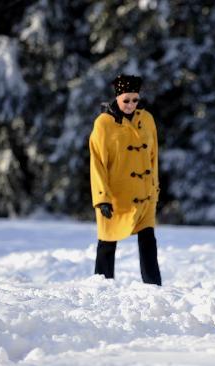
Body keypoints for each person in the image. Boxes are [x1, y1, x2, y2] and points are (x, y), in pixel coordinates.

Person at [89, 74, 162, 285]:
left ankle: (153, 284)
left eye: (135, 100)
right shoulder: (103, 124)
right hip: (114, 195)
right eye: (126, 100)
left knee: (148, 238)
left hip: (144, 193)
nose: (131, 105)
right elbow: (97, 163)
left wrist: (154, 188)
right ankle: (101, 284)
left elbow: (153, 157)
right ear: (117, 98)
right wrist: (102, 198)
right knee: (107, 241)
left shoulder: (146, 119)